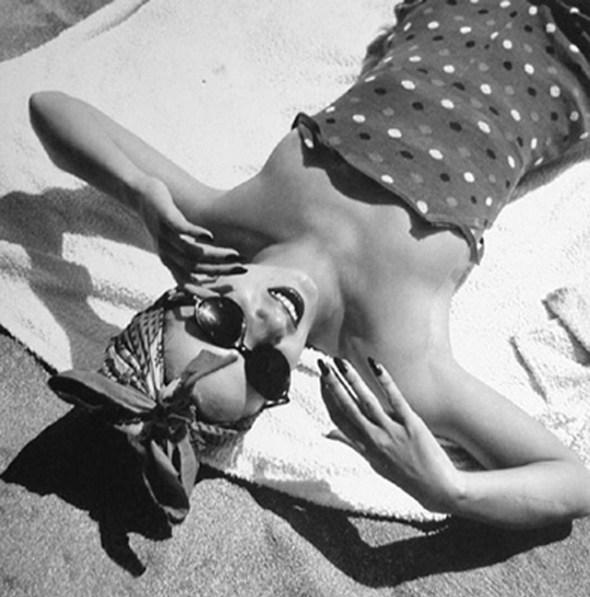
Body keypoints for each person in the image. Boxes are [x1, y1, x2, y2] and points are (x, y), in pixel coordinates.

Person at [30, 0, 590, 529]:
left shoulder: (218, 227)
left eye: (221, 323)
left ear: (184, 292)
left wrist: (138, 190)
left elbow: (49, 107)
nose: (273, 326)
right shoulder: (396, 358)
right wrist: (449, 491)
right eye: (265, 371)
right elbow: (575, 481)